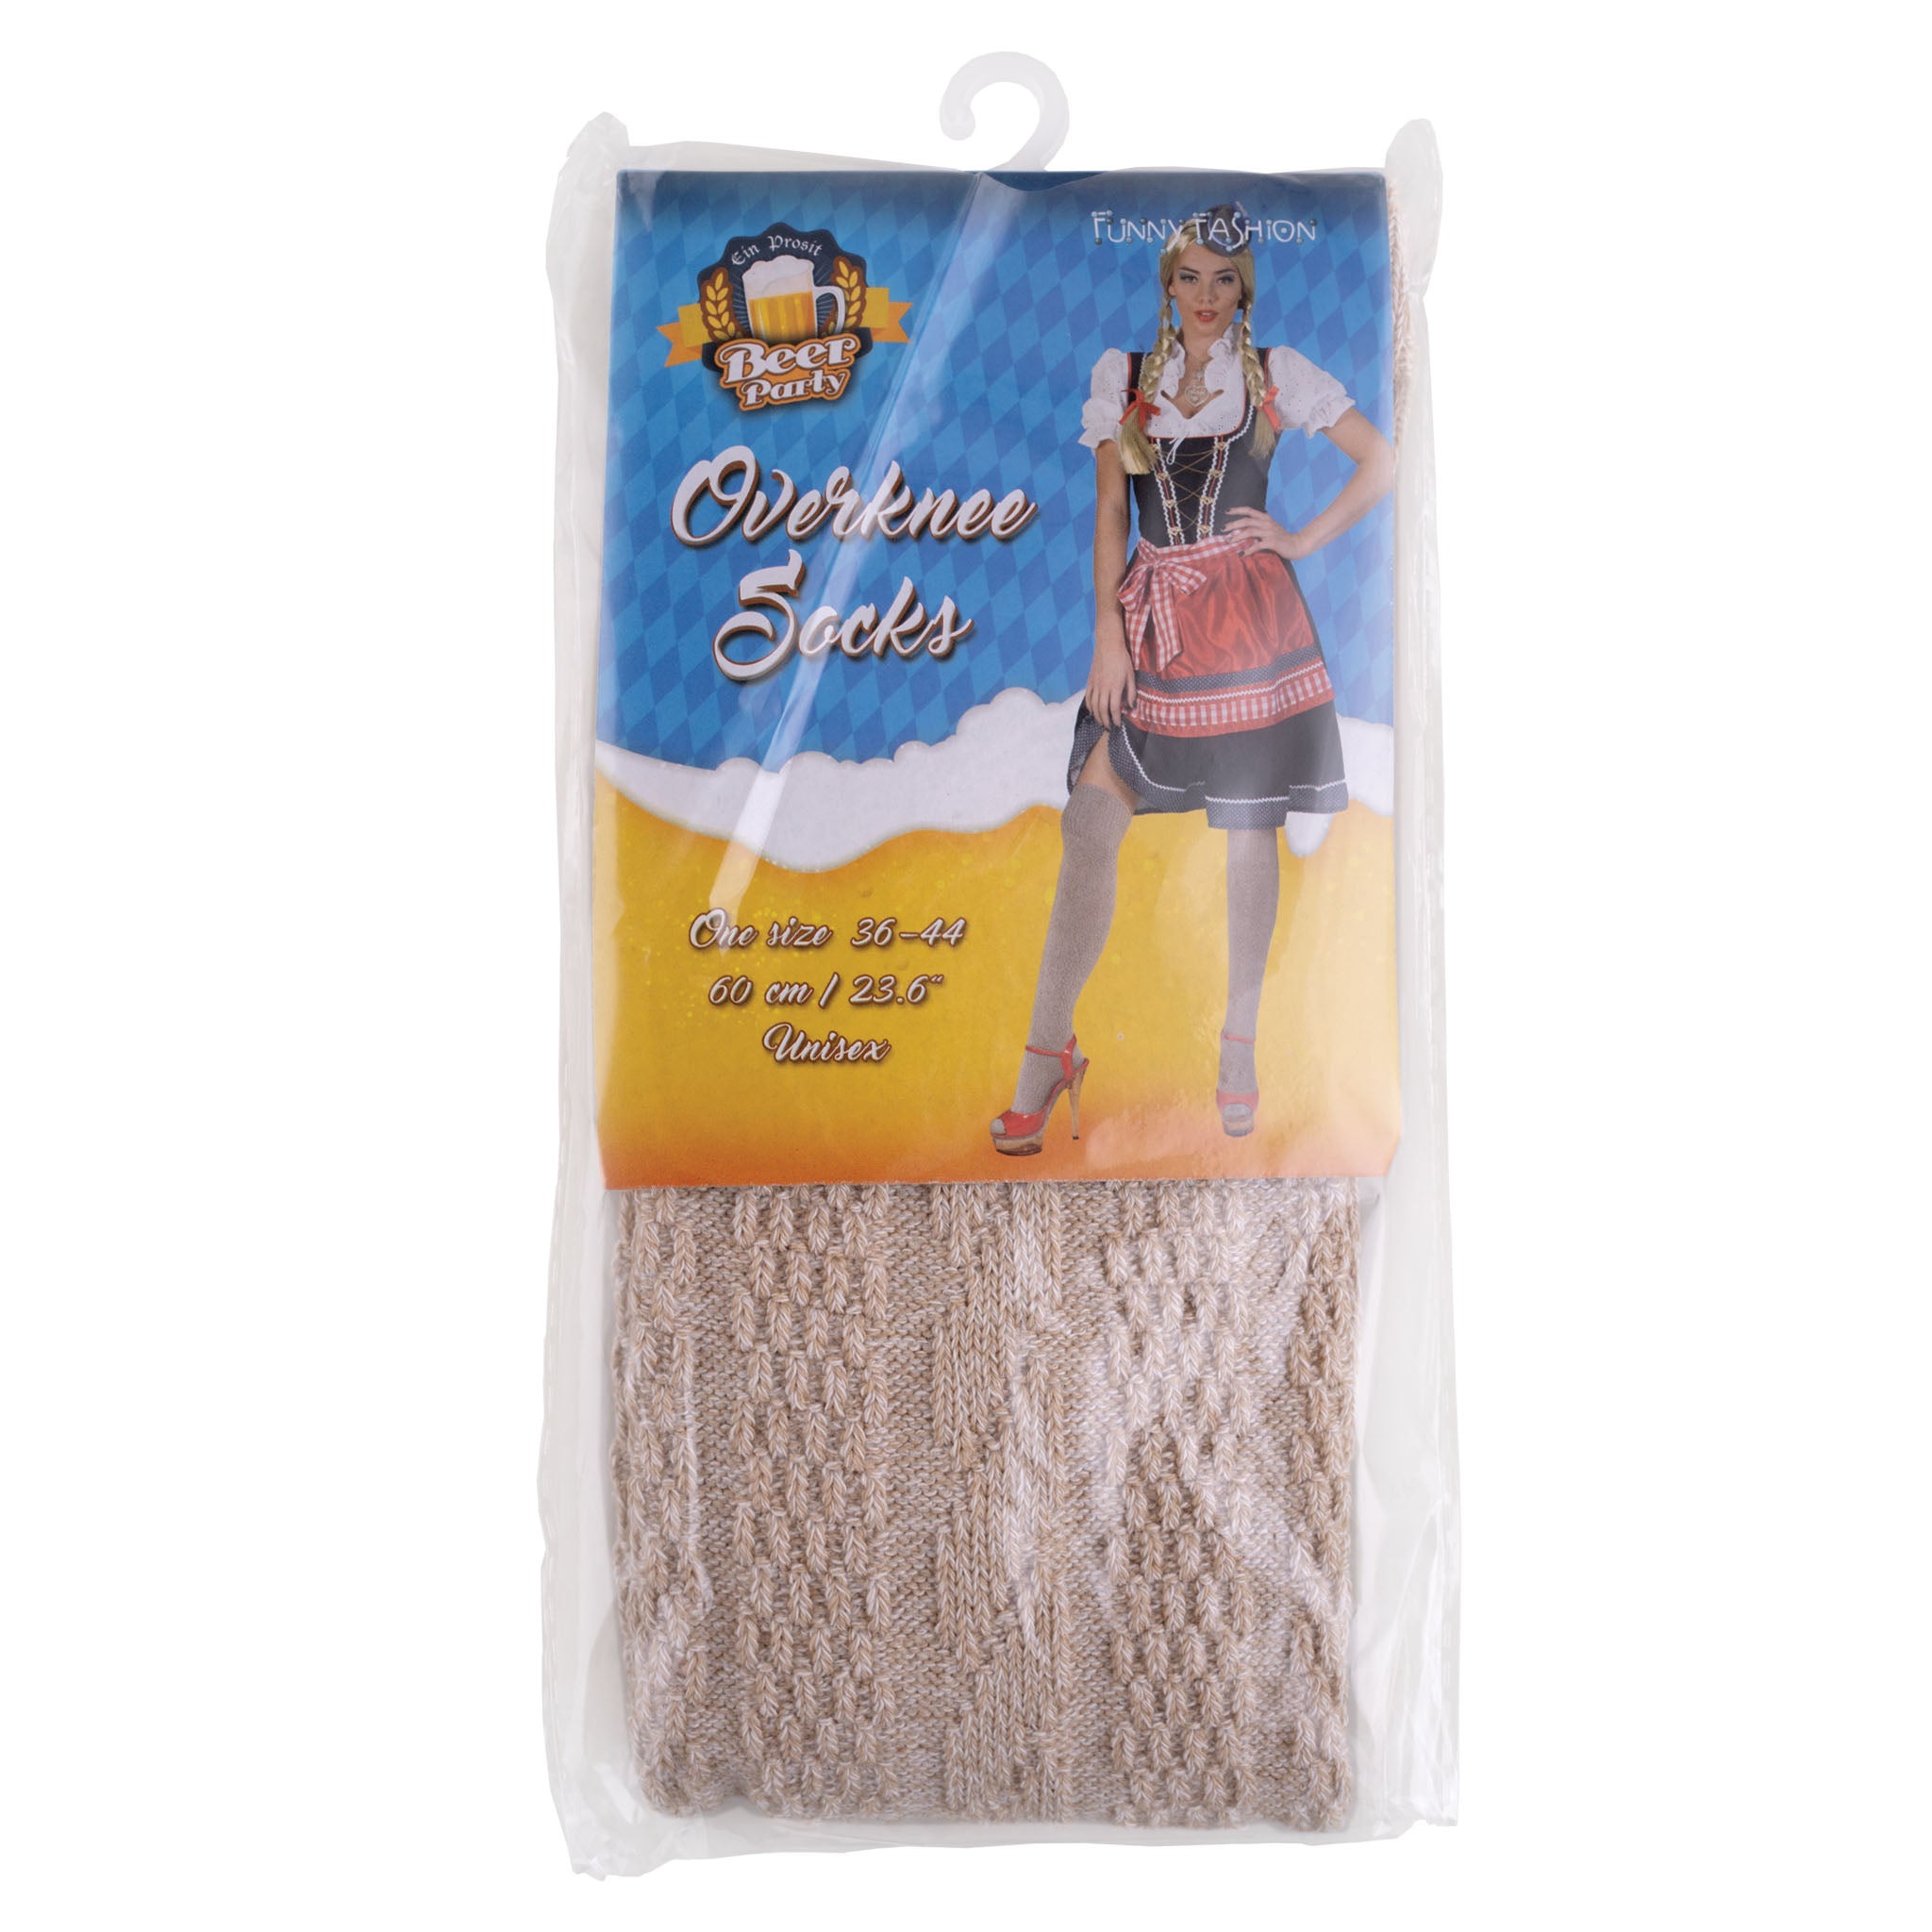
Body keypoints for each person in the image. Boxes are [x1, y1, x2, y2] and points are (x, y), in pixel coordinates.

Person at [990, 205, 1394, 1155]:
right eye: (1188, 277)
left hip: (1250, 624)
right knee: (1089, 822)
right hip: (1151, 623)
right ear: (1166, 284)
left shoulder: (1275, 375)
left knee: (1249, 834)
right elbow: (1109, 511)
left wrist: (1299, 539)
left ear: (1242, 288)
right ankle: (1045, 1053)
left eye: (1223, 279)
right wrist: (1107, 631)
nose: (1205, 296)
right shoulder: (1125, 378)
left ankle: (1238, 1045)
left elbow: (1381, 461)